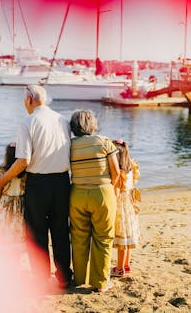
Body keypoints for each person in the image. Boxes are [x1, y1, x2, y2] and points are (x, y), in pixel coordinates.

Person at [0, 85, 73, 289]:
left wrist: (2, 180)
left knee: (37, 233)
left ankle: (41, 278)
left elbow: (23, 161)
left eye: (23, 99)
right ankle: (64, 277)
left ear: (29, 99)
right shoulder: (62, 120)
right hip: (63, 182)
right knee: (60, 230)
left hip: (38, 183)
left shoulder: (27, 122)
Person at [69, 109, 120, 292]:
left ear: (73, 126)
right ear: (92, 124)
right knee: (104, 238)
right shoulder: (103, 141)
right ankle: (100, 283)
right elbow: (116, 172)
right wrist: (108, 187)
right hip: (102, 193)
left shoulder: (70, 145)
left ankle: (80, 278)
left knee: (79, 237)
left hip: (77, 194)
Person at [110, 139, 141, 277]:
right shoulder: (132, 168)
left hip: (121, 207)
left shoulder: (120, 174)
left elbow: (116, 193)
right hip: (130, 205)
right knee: (127, 239)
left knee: (122, 241)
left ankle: (119, 268)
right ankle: (126, 265)